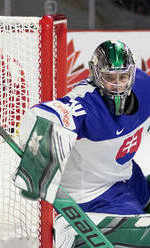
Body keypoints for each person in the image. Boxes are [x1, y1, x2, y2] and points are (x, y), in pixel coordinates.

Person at [17, 40, 150, 246]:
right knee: (141, 239)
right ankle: (73, 230)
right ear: (95, 75)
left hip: (127, 175)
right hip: (92, 193)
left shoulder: (144, 86)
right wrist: (36, 155)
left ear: (132, 74)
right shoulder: (85, 102)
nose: (117, 85)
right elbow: (43, 114)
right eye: (109, 78)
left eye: (122, 77)